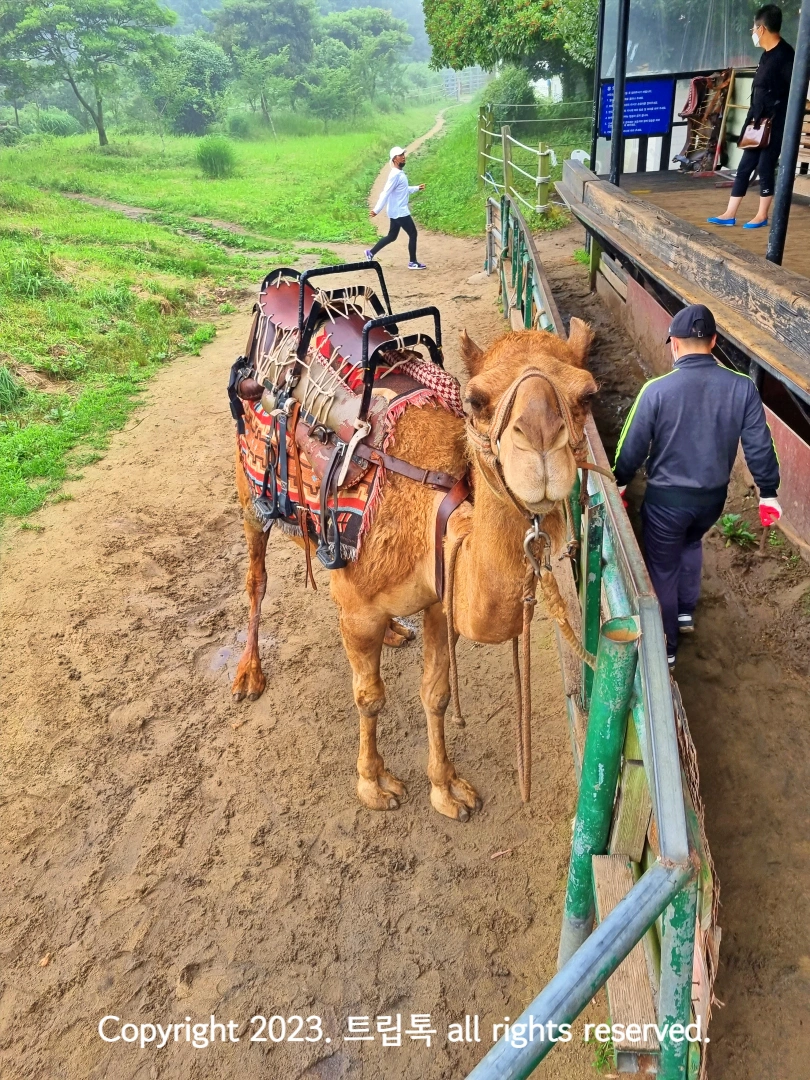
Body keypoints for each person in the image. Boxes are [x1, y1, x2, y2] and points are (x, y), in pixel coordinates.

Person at [614, 304, 781, 666]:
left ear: (674, 344)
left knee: (662, 567)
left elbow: (632, 447)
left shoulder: (656, 390)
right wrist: (768, 493)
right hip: (712, 500)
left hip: (667, 501)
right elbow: (759, 446)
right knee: (691, 542)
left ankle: (667, 648)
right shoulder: (743, 388)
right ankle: (686, 611)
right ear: (714, 341)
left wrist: (620, 481)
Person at [708, 4, 794, 230]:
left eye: (753, 28)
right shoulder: (766, 55)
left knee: (765, 167)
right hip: (757, 121)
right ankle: (729, 213)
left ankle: (762, 215)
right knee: (745, 166)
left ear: (762, 28)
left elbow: (793, 91)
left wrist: (775, 114)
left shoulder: (786, 56)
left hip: (775, 122)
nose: (752, 33)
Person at [365, 146, 426, 270]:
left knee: (392, 236)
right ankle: (412, 262)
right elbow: (385, 192)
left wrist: (417, 188)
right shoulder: (395, 175)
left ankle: (370, 253)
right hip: (400, 212)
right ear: (394, 159)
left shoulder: (399, 173)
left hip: (396, 211)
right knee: (413, 233)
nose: (403, 156)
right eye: (400, 155)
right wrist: (376, 210)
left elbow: (403, 189)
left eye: (403, 154)